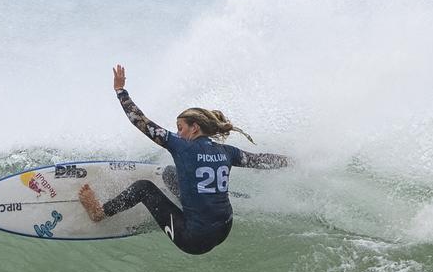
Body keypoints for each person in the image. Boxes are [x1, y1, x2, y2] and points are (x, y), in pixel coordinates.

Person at [79, 64, 290, 255]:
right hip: (225, 228)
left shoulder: (182, 147)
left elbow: (140, 121)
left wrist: (120, 90)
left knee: (144, 188)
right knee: (170, 173)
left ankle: (99, 212)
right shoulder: (227, 151)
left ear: (194, 127)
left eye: (181, 128)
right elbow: (260, 160)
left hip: (194, 240)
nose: (178, 134)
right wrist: (293, 161)